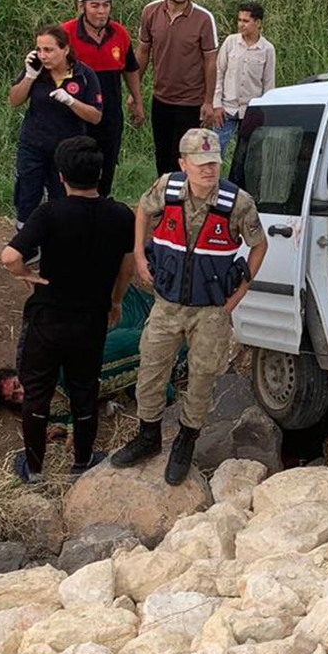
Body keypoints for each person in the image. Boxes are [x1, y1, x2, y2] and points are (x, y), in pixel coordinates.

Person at [110, 127, 266, 486]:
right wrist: (139, 253)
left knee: (202, 378)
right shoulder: (167, 189)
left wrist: (238, 295)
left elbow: (259, 246)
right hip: (167, 304)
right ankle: (148, 436)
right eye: (200, 164)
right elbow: (142, 210)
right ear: (183, 164)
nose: (208, 170)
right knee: (150, 370)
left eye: (213, 163)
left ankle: (186, 441)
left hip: (211, 309)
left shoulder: (237, 203)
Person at [0, 136, 134, 483]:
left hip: (47, 319)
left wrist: (27, 275)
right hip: (91, 319)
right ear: (101, 174)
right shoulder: (121, 215)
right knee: (84, 389)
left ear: (61, 176)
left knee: (37, 393)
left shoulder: (49, 214)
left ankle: (35, 469)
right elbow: (127, 268)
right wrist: (115, 301)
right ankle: (83, 461)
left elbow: (9, 257)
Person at [0, 285, 181, 421]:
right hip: (120, 374)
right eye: (16, 398)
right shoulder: (43, 409)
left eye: (17, 386)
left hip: (107, 348)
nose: (23, 393)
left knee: (150, 335)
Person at [9, 25, 104, 228]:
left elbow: (96, 116)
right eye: (39, 49)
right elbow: (14, 100)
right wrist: (29, 77)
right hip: (33, 145)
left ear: (65, 49)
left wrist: (71, 102)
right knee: (27, 193)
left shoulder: (84, 74)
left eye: (49, 50)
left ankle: (59, 240)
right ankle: (26, 240)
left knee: (62, 198)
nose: (43, 56)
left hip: (67, 150)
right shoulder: (36, 69)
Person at [62, 0, 145, 197]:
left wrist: (137, 101)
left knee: (105, 166)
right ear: (81, 6)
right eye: (95, 5)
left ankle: (100, 212)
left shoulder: (120, 34)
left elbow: (130, 69)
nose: (101, 11)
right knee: (75, 166)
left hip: (109, 115)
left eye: (106, 5)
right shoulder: (65, 34)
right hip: (76, 116)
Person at [138, 0, 218, 176]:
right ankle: (166, 204)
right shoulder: (150, 12)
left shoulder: (203, 18)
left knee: (187, 158)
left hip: (191, 102)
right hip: (161, 98)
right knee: (163, 157)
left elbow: (211, 60)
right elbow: (143, 52)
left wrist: (209, 101)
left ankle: (187, 204)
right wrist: (134, 93)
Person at [211, 2, 275, 154]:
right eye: (239, 20)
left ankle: (239, 179)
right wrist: (216, 104)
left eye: (246, 21)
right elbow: (218, 73)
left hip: (251, 110)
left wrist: (265, 112)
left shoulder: (267, 49)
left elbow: (268, 83)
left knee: (247, 153)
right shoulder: (231, 42)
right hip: (226, 108)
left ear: (257, 23)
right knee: (215, 150)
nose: (241, 25)